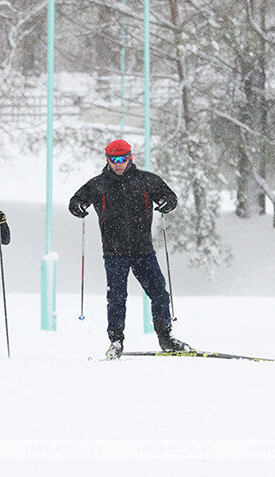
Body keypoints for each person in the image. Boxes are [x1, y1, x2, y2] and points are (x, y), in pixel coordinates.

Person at [68, 138, 189, 359]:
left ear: (130, 158)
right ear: (107, 160)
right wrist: (77, 206)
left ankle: (166, 337)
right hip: (114, 252)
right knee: (116, 297)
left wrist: (167, 203)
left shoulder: (146, 180)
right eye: (113, 159)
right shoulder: (98, 184)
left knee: (159, 293)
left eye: (122, 159)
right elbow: (76, 200)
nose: (118, 164)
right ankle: (116, 341)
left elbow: (169, 196)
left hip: (143, 250)